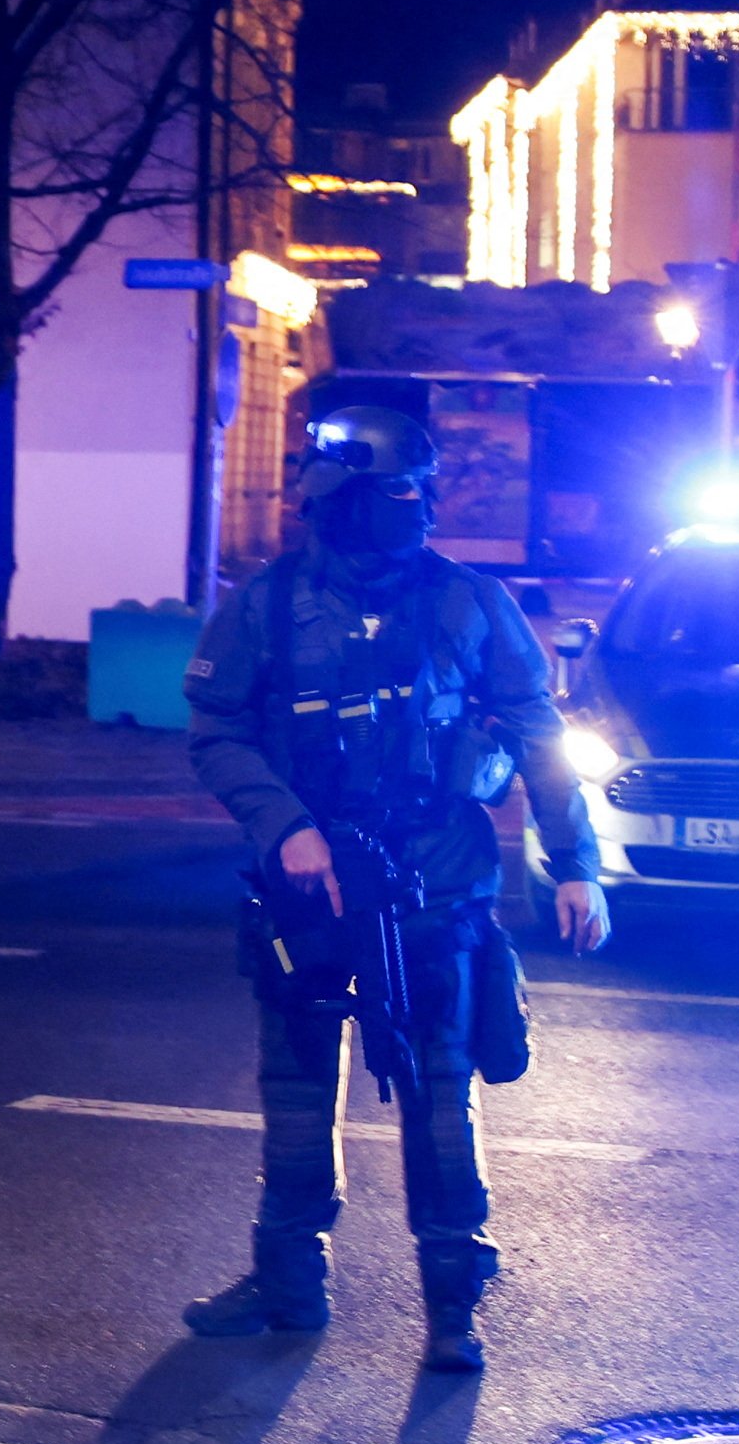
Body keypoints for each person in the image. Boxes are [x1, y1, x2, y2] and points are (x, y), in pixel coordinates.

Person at [179, 402, 610, 1370]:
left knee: (438, 1091)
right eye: (386, 495)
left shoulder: (468, 601)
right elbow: (216, 727)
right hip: (311, 891)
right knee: (294, 1091)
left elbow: (537, 733)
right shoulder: (267, 602)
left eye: (410, 494)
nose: (403, 512)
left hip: (437, 885)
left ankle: (452, 1304)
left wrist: (574, 864)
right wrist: (284, 825)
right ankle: (287, 1283)